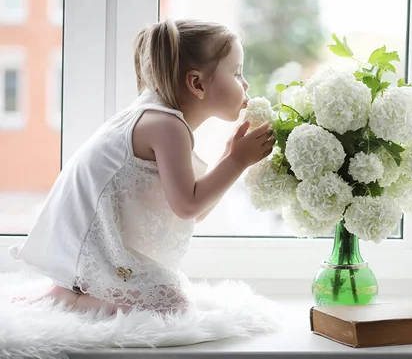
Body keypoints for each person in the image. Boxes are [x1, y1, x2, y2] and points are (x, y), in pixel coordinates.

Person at [9, 19, 274, 315]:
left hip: (91, 248)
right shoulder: (166, 125)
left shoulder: (161, 118)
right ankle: (70, 299)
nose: (246, 84)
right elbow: (188, 206)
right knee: (174, 305)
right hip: (90, 251)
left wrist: (229, 158)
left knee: (173, 297)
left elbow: (194, 212)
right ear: (197, 83)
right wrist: (237, 162)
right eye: (237, 73)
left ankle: (71, 290)